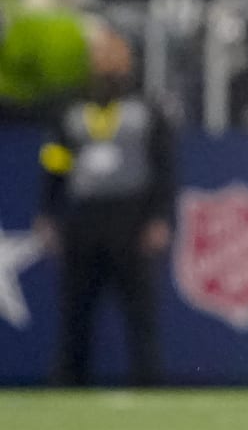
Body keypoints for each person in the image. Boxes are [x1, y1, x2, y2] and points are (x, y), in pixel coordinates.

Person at [35, 29, 175, 388]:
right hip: (84, 216)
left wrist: (160, 217)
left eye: (112, 52)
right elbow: (55, 163)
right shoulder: (71, 108)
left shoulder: (148, 106)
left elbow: (164, 166)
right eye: (99, 53)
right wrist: (48, 213)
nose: (105, 60)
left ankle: (149, 383)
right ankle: (68, 383)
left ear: (127, 58)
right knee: (76, 309)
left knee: (140, 310)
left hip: (131, 215)